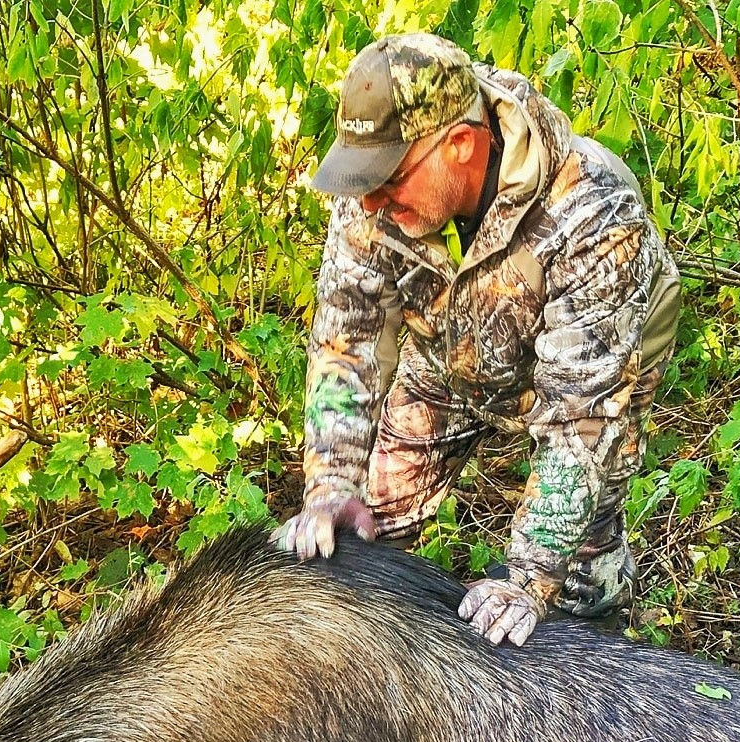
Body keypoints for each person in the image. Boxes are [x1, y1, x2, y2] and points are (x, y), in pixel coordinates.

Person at [275, 32, 680, 646]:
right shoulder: (373, 198)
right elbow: (345, 344)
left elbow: (584, 418)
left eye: (388, 181)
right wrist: (332, 482)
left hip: (597, 371)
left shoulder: (593, 212)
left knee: (571, 589)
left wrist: (528, 575)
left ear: (460, 145)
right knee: (363, 539)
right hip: (447, 349)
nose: (372, 201)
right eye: (363, 181)